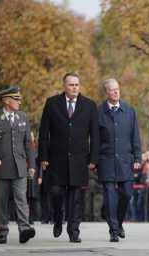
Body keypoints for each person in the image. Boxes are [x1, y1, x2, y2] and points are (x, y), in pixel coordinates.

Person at [38, 72, 99, 243]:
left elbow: (95, 135)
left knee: (76, 197)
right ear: (64, 86)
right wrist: (43, 156)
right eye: (71, 85)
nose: (74, 88)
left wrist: (94, 158)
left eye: (77, 85)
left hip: (79, 159)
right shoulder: (52, 103)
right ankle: (58, 218)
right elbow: (44, 133)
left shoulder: (89, 105)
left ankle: (74, 231)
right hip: (56, 159)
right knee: (56, 192)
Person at [0, 86, 36, 244]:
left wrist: (32, 165)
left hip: (20, 166)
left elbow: (28, 143)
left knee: (21, 198)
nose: (20, 102)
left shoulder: (23, 117)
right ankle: (2, 232)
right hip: (0, 167)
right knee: (1, 201)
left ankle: (24, 229)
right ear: (6, 101)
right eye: (16, 99)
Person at [97, 78, 141, 242]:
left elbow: (135, 136)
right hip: (106, 159)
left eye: (117, 89)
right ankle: (113, 230)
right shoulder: (98, 111)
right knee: (109, 195)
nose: (116, 92)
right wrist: (94, 159)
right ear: (106, 92)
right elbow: (94, 138)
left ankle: (119, 222)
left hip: (125, 160)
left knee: (127, 194)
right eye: (112, 90)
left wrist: (137, 157)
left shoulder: (129, 110)